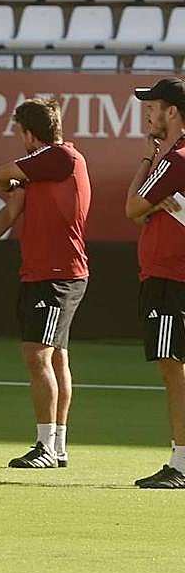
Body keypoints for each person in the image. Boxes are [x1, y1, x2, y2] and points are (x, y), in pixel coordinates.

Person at [0, 98, 91, 469]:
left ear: (30, 134)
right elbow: (8, 213)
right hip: (45, 273)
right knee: (55, 358)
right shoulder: (42, 172)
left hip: (58, 275)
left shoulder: (60, 157)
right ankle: (57, 446)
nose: (18, 138)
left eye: (19, 131)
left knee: (36, 356)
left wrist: (15, 178)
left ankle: (46, 445)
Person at [125, 77, 185, 489]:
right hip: (172, 275)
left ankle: (180, 462)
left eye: (154, 105)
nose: (148, 112)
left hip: (170, 278)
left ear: (173, 112)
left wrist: (148, 161)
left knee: (173, 369)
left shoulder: (173, 159)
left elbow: (132, 208)